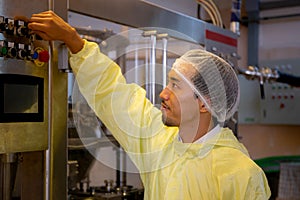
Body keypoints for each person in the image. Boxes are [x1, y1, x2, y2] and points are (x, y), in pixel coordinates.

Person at [28, 11, 271, 199]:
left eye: (176, 86)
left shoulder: (240, 174)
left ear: (204, 103)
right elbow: (115, 95)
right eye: (167, 83)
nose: (163, 93)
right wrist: (74, 41)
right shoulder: (160, 141)